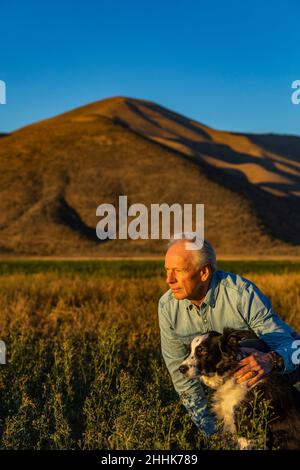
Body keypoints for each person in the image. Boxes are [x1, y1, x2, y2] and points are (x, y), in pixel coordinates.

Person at [158, 234, 300, 436]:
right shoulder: (167, 308)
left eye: (178, 271)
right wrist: (211, 432)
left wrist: (272, 359)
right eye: (167, 270)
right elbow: (180, 376)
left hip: (266, 383)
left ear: (204, 273)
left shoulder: (241, 294)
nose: (169, 279)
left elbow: (290, 345)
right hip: (222, 390)